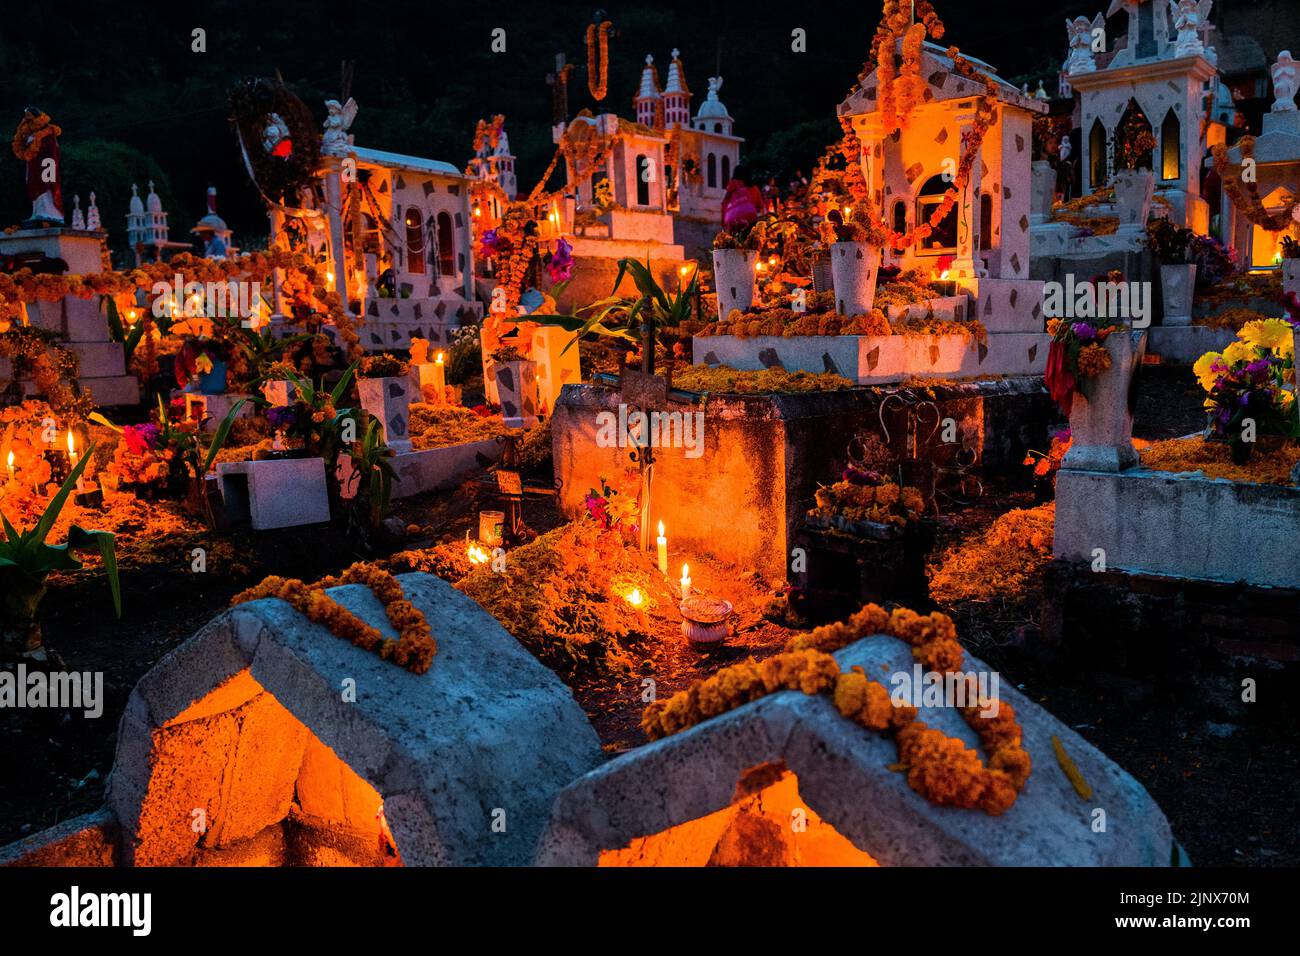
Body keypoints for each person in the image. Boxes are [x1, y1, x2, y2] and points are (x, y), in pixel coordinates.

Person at [722, 165, 763, 231]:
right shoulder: (755, 188)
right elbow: (760, 206)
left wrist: (723, 223)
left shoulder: (733, 183)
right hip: (750, 220)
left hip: (734, 221)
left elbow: (725, 203)